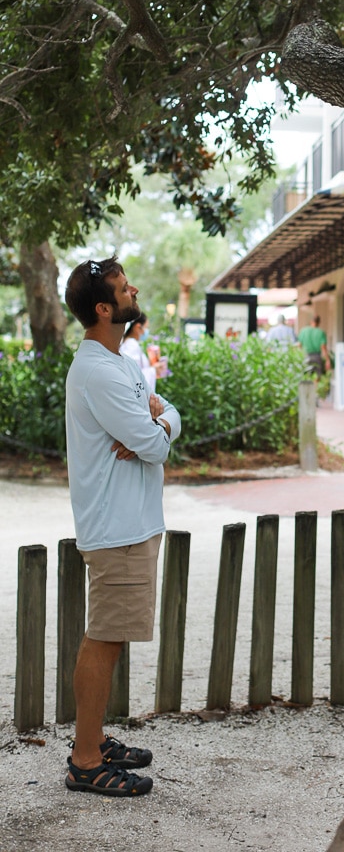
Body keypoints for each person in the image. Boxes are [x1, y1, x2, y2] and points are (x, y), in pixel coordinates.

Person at [63, 257, 181, 796]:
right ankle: (85, 760)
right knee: (104, 639)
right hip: (117, 527)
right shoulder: (100, 371)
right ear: (104, 309)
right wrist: (154, 429)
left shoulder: (121, 361)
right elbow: (156, 444)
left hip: (130, 522)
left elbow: (163, 420)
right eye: (122, 286)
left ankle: (93, 737)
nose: (134, 288)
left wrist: (157, 422)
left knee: (108, 637)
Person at [120, 312, 157, 393]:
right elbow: (133, 374)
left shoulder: (129, 344)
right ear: (138, 327)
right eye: (146, 327)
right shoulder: (131, 345)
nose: (147, 331)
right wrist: (154, 370)